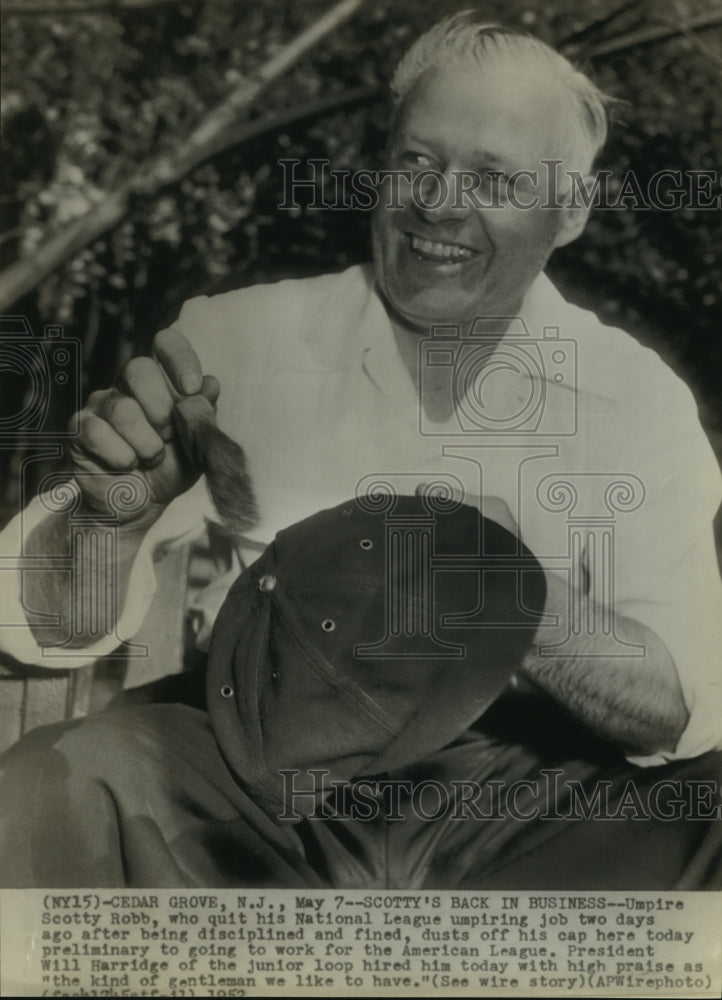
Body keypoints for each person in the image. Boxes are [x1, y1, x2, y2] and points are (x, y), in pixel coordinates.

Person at [0, 15, 721, 887]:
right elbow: (33, 626)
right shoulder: (237, 340)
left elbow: (680, 701)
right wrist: (107, 522)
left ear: (568, 214)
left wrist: (492, 595)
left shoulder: (632, 397)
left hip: (524, 804)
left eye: (493, 178)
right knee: (54, 783)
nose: (440, 203)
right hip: (257, 782)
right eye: (418, 161)